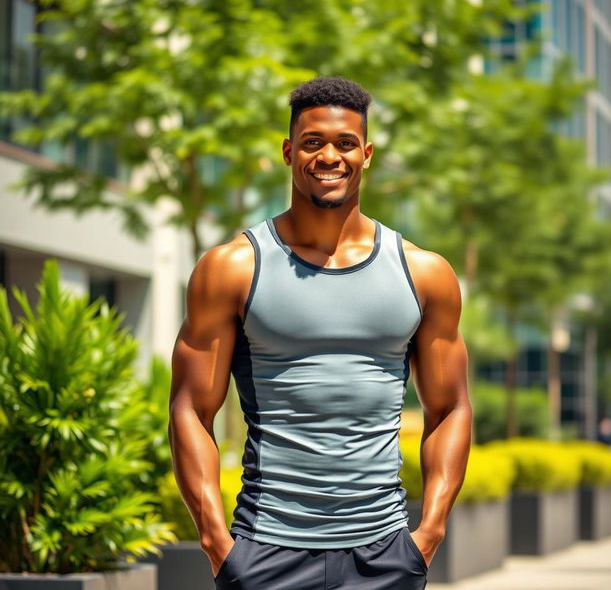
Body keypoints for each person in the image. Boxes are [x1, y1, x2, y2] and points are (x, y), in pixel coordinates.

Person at [168, 76, 472, 589]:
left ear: (366, 154)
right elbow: (190, 409)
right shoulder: (232, 268)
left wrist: (430, 533)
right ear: (289, 152)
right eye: (313, 142)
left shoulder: (423, 273)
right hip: (265, 550)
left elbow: (451, 408)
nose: (329, 156)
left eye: (345, 143)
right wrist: (218, 544)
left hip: (385, 554)